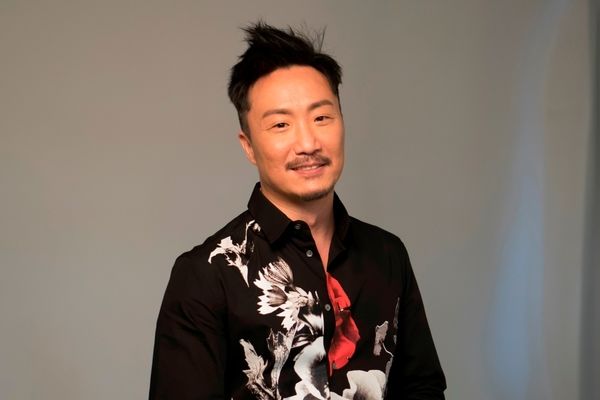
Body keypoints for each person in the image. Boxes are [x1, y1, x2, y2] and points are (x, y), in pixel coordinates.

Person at [149, 22, 446, 400]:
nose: (308, 143)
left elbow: (422, 388)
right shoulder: (207, 274)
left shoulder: (386, 254)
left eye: (321, 117)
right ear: (248, 145)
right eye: (280, 124)